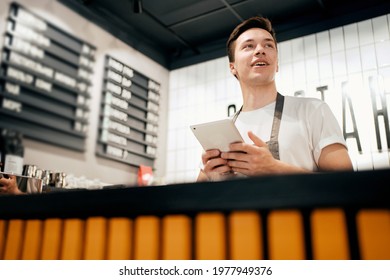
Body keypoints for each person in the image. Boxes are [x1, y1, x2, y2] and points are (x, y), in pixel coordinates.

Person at [197, 16, 353, 182]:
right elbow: (194, 199)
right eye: (249, 46)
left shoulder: (312, 110)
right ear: (232, 67)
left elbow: (347, 184)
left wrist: (275, 169)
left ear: (277, 63)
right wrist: (213, 182)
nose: (260, 50)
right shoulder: (221, 132)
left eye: (268, 45)